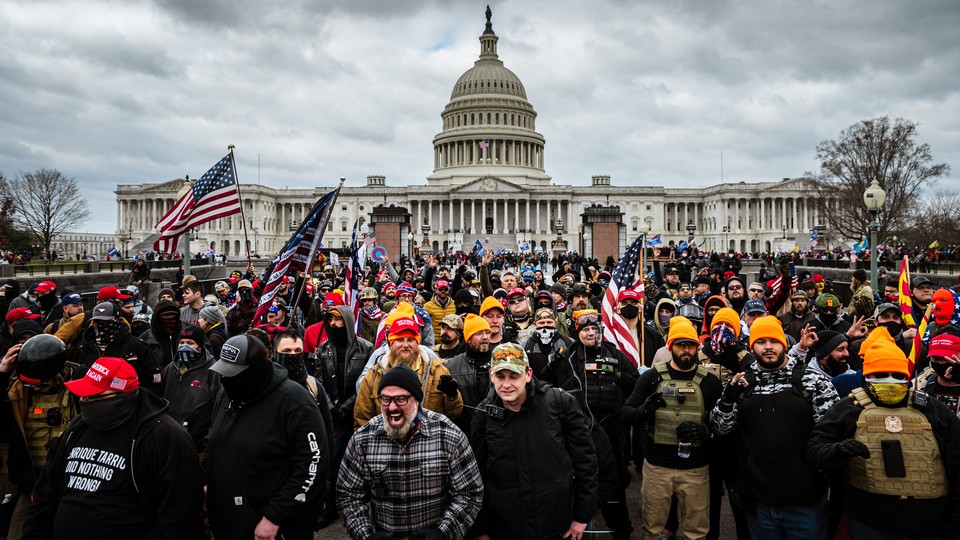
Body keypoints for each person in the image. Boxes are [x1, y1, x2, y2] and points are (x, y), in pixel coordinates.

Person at [22, 357, 205, 539]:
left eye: (93, 395)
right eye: (83, 395)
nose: (84, 400)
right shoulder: (77, 427)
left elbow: (180, 516)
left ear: (122, 394)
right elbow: (45, 494)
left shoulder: (165, 438)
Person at [807, 330, 960, 539]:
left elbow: (956, 463)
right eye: (879, 375)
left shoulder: (933, 410)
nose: (889, 381)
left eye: (897, 376)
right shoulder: (850, 408)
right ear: (867, 376)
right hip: (869, 521)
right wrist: (838, 451)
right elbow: (816, 449)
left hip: (930, 523)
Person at [710, 316, 839, 539]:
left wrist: (817, 476)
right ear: (752, 346)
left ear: (784, 343)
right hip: (759, 504)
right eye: (761, 341)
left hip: (804, 503)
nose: (768, 347)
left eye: (774, 341)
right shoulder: (741, 383)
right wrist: (727, 401)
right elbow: (721, 429)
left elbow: (830, 434)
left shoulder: (814, 381)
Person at [337, 364, 484, 539]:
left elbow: (469, 493)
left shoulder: (449, 435)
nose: (392, 408)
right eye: (385, 399)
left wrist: (443, 533)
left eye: (400, 399)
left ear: (416, 399)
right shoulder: (363, 439)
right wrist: (365, 535)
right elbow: (348, 496)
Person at [206, 334, 329, 540]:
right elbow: (213, 441)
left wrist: (275, 516)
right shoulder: (225, 395)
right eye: (223, 373)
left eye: (232, 374)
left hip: (272, 527)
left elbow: (312, 463)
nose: (225, 379)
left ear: (255, 371)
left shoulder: (294, 401)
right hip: (228, 520)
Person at [470, 343, 598, 540]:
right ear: (491, 376)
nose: (506, 384)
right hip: (505, 527)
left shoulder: (559, 403)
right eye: (500, 376)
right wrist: (480, 529)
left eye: (513, 376)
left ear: (528, 374)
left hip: (557, 525)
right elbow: (476, 476)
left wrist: (582, 516)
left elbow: (586, 462)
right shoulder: (484, 414)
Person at [621, 317, 722, 539]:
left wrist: (704, 432)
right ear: (670, 346)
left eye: (691, 345)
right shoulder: (652, 377)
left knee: (696, 532)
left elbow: (723, 425)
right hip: (658, 467)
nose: (686, 350)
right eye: (680, 345)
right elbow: (626, 413)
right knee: (652, 529)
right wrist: (644, 411)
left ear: (697, 347)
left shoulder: (710, 382)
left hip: (696, 470)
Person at [0, 335, 82, 538]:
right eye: (31, 386)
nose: (36, 389)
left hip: (71, 488)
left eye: (42, 385)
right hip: (33, 487)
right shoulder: (17, 391)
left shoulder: (79, 383)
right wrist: (2, 374)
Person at [354, 317, 463, 429]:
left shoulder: (438, 372)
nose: (405, 345)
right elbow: (362, 420)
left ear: (417, 343)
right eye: (400, 340)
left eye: (410, 340)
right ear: (391, 343)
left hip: (429, 442)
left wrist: (452, 396)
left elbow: (454, 414)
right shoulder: (374, 376)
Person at [158, 324, 221, 449]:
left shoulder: (213, 371)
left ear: (200, 347)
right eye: (181, 342)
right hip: (166, 437)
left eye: (190, 343)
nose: (184, 346)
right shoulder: (170, 369)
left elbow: (217, 408)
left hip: (196, 442)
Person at [444, 314, 494, 433]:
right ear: (468, 339)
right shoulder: (451, 367)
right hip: (465, 431)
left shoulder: (501, 361)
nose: (485, 337)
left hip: (495, 431)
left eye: (487, 332)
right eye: (479, 333)